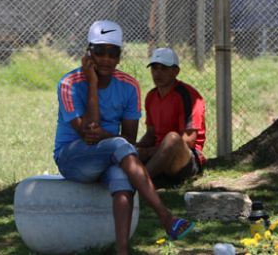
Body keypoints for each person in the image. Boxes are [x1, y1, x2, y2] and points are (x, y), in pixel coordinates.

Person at [53, 21, 195, 254]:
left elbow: (129, 139)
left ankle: (122, 250)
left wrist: (107, 136)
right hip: (73, 158)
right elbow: (87, 134)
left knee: (122, 180)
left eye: (113, 52)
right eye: (100, 52)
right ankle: (166, 217)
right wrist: (92, 85)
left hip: (112, 154)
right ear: (89, 53)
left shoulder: (129, 86)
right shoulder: (69, 83)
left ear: (120, 56)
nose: (107, 58)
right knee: (117, 146)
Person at [136, 47, 206, 185]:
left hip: (187, 159)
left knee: (172, 138)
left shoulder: (187, 95)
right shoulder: (151, 96)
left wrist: (150, 152)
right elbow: (150, 134)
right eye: (154, 68)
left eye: (164, 68)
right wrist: (136, 148)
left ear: (175, 71)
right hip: (158, 155)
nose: (158, 73)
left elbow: (188, 140)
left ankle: (138, 184)